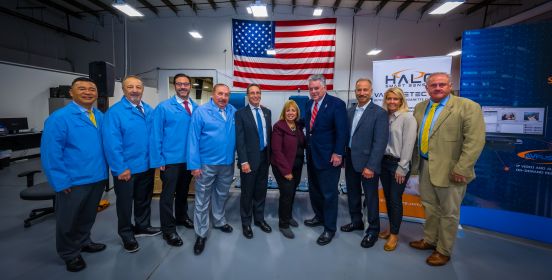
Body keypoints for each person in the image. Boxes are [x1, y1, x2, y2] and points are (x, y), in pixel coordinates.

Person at [409, 72, 485, 266]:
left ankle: (443, 250)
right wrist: (415, 167)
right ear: (427, 88)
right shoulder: (419, 108)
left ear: (450, 86)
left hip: (452, 171)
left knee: (449, 212)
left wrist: (463, 168)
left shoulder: (468, 107)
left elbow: (475, 141)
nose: (438, 88)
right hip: (425, 166)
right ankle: (429, 240)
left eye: (442, 84)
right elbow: (416, 139)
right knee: (430, 206)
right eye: (433, 85)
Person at [41, 77, 108, 272]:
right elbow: (51, 154)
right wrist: (60, 181)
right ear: (71, 93)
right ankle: (69, 253)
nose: (87, 92)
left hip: (97, 176)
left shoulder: (100, 116)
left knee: (88, 216)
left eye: (91, 89)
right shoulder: (59, 118)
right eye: (82, 89)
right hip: (73, 180)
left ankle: (84, 241)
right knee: (68, 218)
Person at [102, 75, 160, 253]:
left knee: (143, 199)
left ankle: (142, 226)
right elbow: (112, 143)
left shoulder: (148, 110)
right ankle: (126, 234)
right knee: (125, 204)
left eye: (138, 87)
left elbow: (154, 137)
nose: (135, 90)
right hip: (126, 169)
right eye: (130, 87)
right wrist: (120, 168)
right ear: (123, 89)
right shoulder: (115, 113)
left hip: (146, 165)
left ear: (142, 89)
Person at [187, 83, 237, 255]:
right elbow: (192, 139)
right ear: (213, 94)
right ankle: (201, 233)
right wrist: (194, 165)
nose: (223, 97)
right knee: (202, 198)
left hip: (227, 163)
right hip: (206, 163)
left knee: (222, 194)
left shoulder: (232, 111)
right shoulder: (201, 112)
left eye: (227, 94)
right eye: (220, 94)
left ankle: (219, 220)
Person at [150, 73, 198, 247]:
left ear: (190, 86)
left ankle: (181, 217)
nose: (183, 87)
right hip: (170, 160)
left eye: (186, 84)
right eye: (179, 84)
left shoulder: (195, 107)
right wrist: (159, 160)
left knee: (184, 192)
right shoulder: (164, 107)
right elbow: (156, 135)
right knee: (168, 195)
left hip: (189, 160)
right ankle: (168, 230)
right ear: (174, 86)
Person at [341, 78, 388, 249]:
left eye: (365, 90)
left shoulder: (379, 113)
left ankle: (373, 230)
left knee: (370, 198)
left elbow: (380, 143)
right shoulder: (349, 111)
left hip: (368, 164)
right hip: (351, 160)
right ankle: (356, 221)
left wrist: (371, 166)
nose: (361, 93)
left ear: (371, 91)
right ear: (355, 91)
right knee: (352, 195)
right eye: (359, 89)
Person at [303, 74, 348, 246]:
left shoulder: (337, 105)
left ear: (324, 87)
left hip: (330, 158)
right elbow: (309, 128)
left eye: (316, 88)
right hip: (312, 155)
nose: (313, 91)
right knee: (314, 190)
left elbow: (342, 131)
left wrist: (338, 153)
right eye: (311, 89)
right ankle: (319, 217)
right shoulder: (308, 104)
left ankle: (329, 228)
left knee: (329, 194)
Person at [378, 87, 417, 251]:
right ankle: (390, 228)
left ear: (401, 101)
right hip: (383, 162)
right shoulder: (385, 116)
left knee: (395, 199)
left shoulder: (408, 118)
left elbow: (409, 145)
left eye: (395, 99)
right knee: (388, 197)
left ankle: (394, 234)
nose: (392, 102)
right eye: (389, 98)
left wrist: (402, 167)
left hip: (398, 165)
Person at [235, 84, 272, 239]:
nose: (255, 95)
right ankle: (246, 223)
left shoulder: (267, 112)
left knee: (261, 191)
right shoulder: (240, 114)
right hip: (249, 161)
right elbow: (240, 139)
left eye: (258, 93)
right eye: (252, 93)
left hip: (265, 158)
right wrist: (243, 161)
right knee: (247, 193)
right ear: (248, 95)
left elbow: (268, 136)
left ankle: (259, 219)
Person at [271, 100, 305, 239]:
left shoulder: (297, 126)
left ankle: (289, 216)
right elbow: (277, 151)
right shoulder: (279, 126)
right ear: (284, 112)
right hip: (283, 166)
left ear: (297, 113)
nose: (291, 113)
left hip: (296, 165)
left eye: (293, 110)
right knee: (286, 194)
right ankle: (283, 224)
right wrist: (286, 171)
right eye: (288, 110)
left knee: (291, 193)